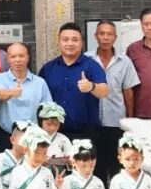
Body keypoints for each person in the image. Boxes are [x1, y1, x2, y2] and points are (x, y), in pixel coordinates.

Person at [38, 23, 109, 172]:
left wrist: (91, 86)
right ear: (59, 41)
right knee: (58, 175)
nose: (70, 43)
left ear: (81, 42)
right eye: (65, 39)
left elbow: (104, 90)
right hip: (54, 134)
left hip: (85, 133)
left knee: (85, 174)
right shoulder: (48, 68)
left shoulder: (91, 66)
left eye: (75, 40)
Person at [87, 21, 140, 175]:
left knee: (116, 164)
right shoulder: (86, 59)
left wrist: (130, 119)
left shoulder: (124, 61)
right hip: (92, 121)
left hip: (116, 120)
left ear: (115, 37)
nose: (105, 37)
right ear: (95, 36)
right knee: (96, 165)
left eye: (109, 34)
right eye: (102, 34)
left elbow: (128, 91)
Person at [0, 42, 53, 142]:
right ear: (8, 59)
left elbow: (48, 108)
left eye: (21, 56)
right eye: (13, 57)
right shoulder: (0, 78)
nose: (17, 60)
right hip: (6, 134)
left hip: (32, 135)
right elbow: (1, 95)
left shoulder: (40, 82)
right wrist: (11, 93)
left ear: (28, 58)